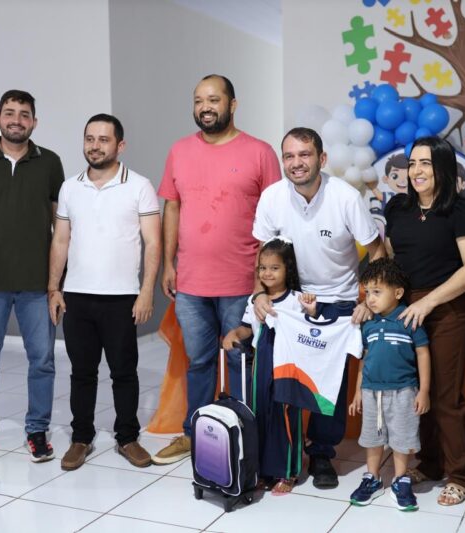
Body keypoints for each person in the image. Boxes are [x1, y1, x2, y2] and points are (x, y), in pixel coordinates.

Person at [152, 75, 281, 465]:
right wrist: (168, 265)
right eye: (198, 100)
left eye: (213, 99)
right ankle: (195, 434)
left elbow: (275, 220)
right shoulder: (179, 151)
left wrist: (265, 282)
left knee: (241, 362)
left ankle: (244, 440)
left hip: (242, 283)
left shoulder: (260, 152)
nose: (205, 107)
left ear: (232, 104)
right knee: (199, 363)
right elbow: (172, 207)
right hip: (191, 283)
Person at [252, 127, 385, 488]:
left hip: (338, 302)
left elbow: (377, 251)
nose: (296, 163)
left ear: (322, 159)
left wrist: (369, 300)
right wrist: (260, 294)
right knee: (282, 381)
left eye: (305, 154)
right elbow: (261, 255)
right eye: (289, 156)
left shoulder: (345, 197)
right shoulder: (272, 197)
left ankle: (323, 453)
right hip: (288, 302)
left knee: (330, 386)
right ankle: (283, 456)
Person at [47, 114, 161, 470]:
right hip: (77, 296)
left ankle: (127, 437)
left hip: (122, 297)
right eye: (89, 139)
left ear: (120, 145)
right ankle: (81, 438)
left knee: (124, 372)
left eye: (103, 139)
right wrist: (53, 287)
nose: (95, 146)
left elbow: (153, 242)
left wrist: (146, 291)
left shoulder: (139, 186)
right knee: (82, 372)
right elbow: (60, 240)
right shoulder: (70, 187)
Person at [0, 90, 65, 468]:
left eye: (24, 114)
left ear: (34, 121)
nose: (16, 120)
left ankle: (37, 430)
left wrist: (57, 283)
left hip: (38, 285)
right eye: (9, 112)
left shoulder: (50, 162)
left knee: (43, 362)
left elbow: (60, 226)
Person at [383, 136, 465, 506]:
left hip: (446, 310)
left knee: (444, 396)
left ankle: (459, 474)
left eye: (425, 163)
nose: (416, 171)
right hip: (404, 311)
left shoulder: (462, 209)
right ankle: (430, 462)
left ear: (442, 167)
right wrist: (379, 302)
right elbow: (391, 259)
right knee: (415, 392)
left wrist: (428, 302)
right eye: (412, 163)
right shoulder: (398, 207)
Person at [222, 238, 315, 495]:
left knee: (285, 417)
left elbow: (311, 329)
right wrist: (234, 334)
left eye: (274, 268)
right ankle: (263, 471)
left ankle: (288, 471)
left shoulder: (297, 299)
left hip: (288, 369)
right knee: (259, 416)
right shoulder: (255, 301)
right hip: (261, 367)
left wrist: (311, 310)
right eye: (263, 268)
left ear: (287, 269)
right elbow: (247, 328)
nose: (267, 273)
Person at [347, 258, 430, 512]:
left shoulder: (409, 319)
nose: (370, 299)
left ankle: (400, 480)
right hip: (371, 391)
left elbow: (423, 354)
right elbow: (364, 359)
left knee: (402, 437)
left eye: (377, 292)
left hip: (404, 391)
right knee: (372, 437)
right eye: (367, 292)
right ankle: (372, 478)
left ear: (398, 292)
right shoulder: (368, 324)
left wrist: (424, 391)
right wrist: (357, 392)